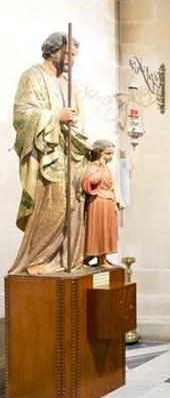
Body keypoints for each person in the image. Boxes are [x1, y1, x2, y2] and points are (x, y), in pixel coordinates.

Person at [9, 32, 90, 275]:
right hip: (49, 154)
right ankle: (36, 257)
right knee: (56, 203)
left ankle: (66, 257)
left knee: (74, 204)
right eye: (68, 54)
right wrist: (55, 115)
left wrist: (74, 120)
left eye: (75, 55)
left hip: (71, 152)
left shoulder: (67, 81)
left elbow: (78, 115)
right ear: (53, 50)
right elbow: (22, 113)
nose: (72, 60)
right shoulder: (33, 76)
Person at [82, 139, 123, 267]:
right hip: (97, 202)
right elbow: (91, 181)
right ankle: (95, 258)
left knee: (108, 230)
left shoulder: (106, 168)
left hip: (108, 202)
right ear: (99, 153)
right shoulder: (92, 166)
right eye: (108, 153)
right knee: (99, 230)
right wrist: (101, 168)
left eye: (112, 154)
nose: (110, 157)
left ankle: (103, 257)